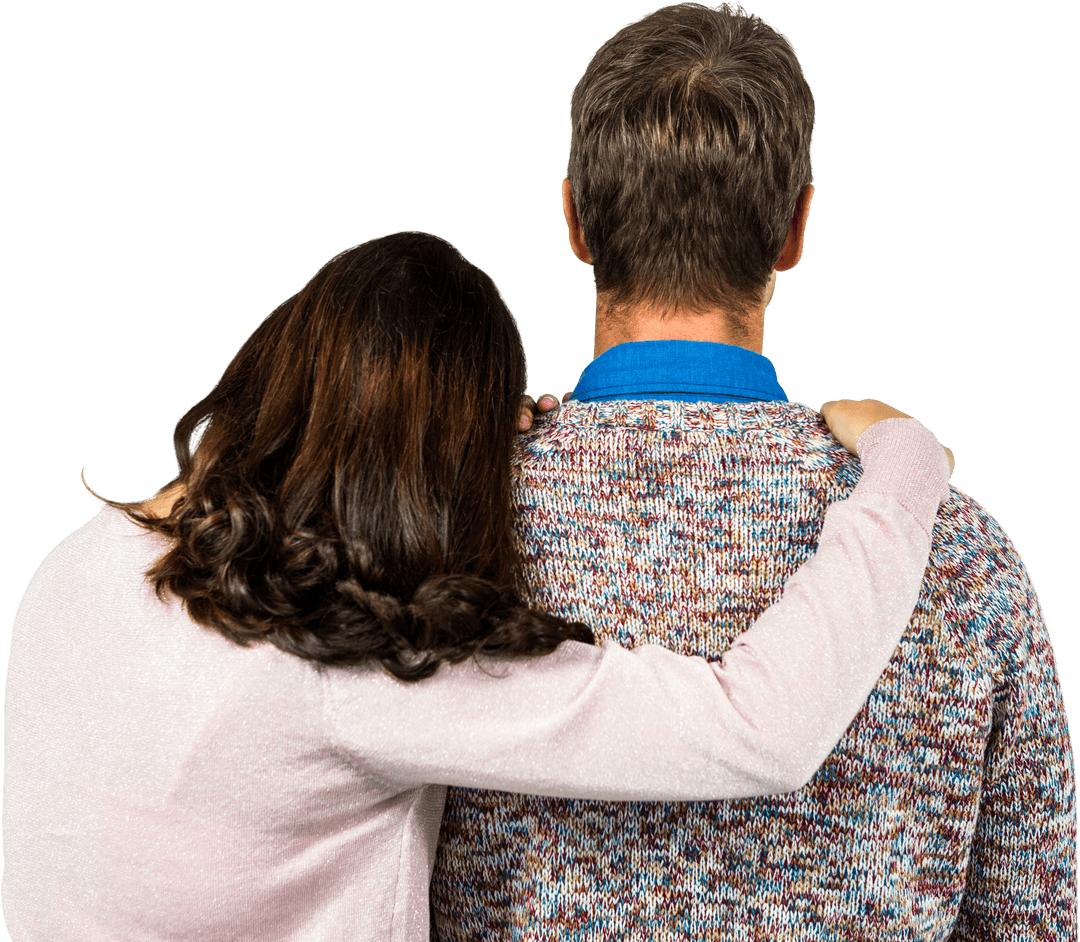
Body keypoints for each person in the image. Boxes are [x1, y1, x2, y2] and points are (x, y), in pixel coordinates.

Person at [2, 230, 952, 940]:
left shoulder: (73, 567)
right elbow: (758, 729)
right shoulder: (356, 664)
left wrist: (459, 441)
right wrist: (904, 463)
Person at [429, 4, 1078, 941]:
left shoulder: (434, 521)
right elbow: (1031, 919)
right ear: (795, 227)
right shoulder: (962, 556)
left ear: (574, 218)